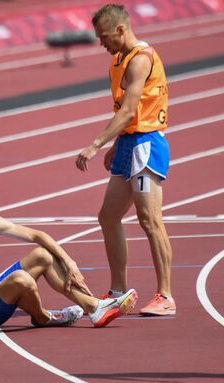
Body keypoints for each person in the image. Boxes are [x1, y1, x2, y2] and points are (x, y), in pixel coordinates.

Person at [0, 170, 138, 335]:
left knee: (42, 255)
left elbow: (38, 236)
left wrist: (69, 262)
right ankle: (44, 317)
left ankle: (93, 308)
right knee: (21, 278)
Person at [75, 4, 175, 316]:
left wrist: (95, 145)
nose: (101, 43)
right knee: (108, 216)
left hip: (146, 144)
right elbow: (128, 111)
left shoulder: (140, 59)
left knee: (149, 220)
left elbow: (130, 110)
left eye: (104, 37)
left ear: (120, 29)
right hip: (129, 143)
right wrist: (117, 144)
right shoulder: (118, 61)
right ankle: (118, 291)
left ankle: (166, 296)